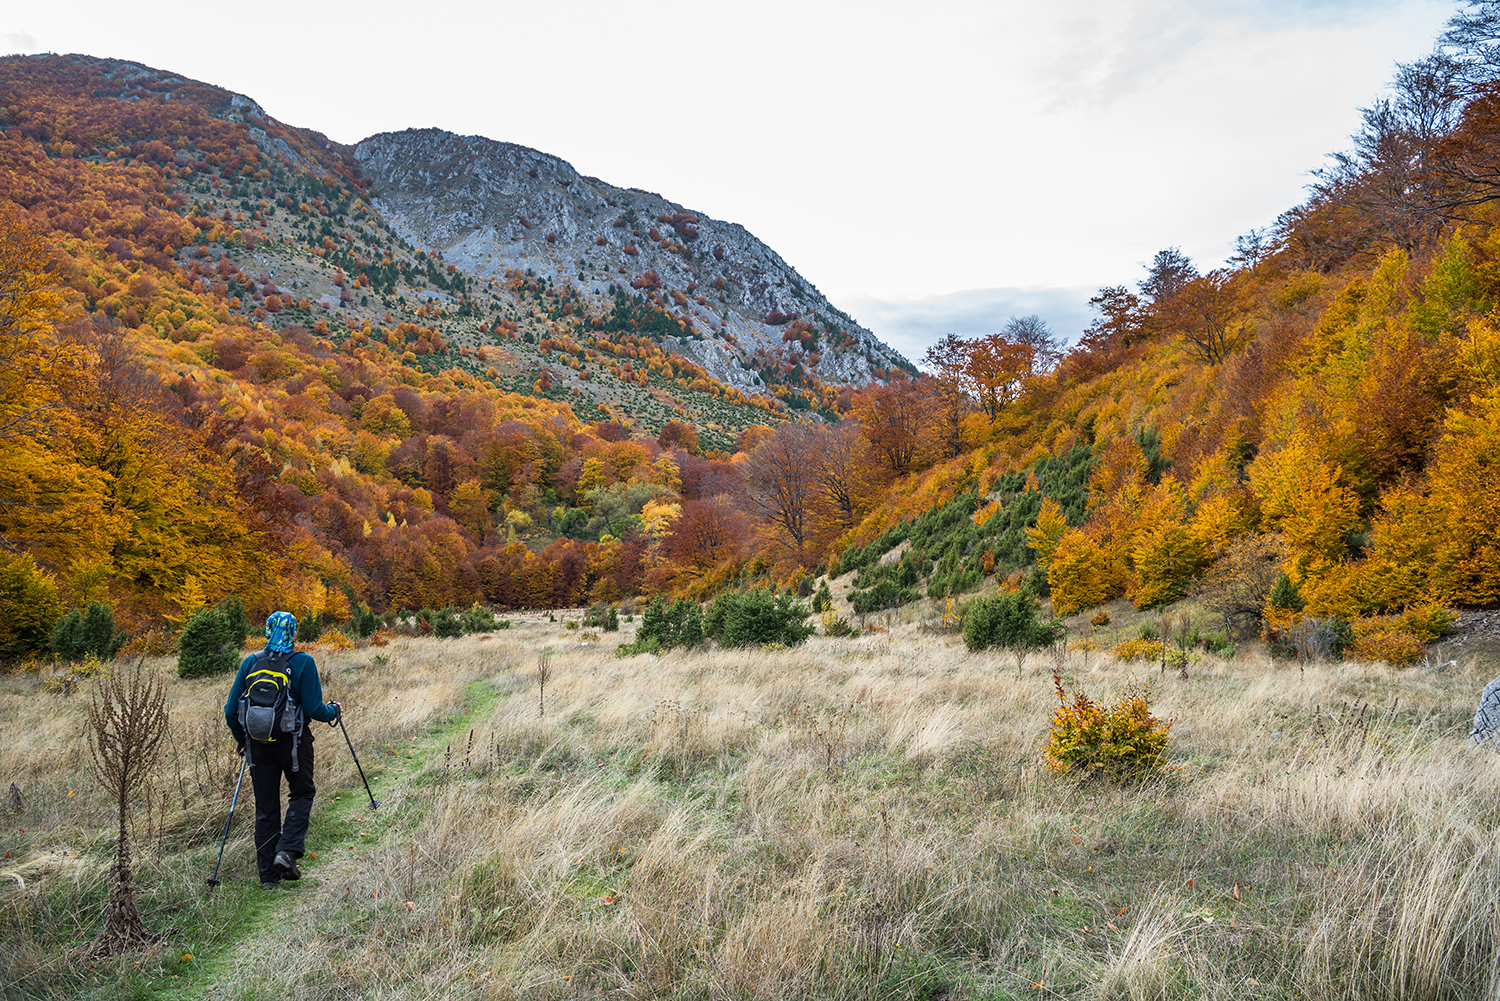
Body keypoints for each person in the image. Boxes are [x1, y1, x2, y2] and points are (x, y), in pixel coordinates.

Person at [224, 611, 341, 888]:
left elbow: (230, 711)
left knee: (266, 809)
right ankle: (286, 852)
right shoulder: (303, 663)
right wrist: (333, 711)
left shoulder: (250, 663)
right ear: (294, 633)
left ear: (267, 631)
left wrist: (243, 740)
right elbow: (314, 709)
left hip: (258, 746)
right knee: (302, 793)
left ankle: (268, 877)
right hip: (294, 744)